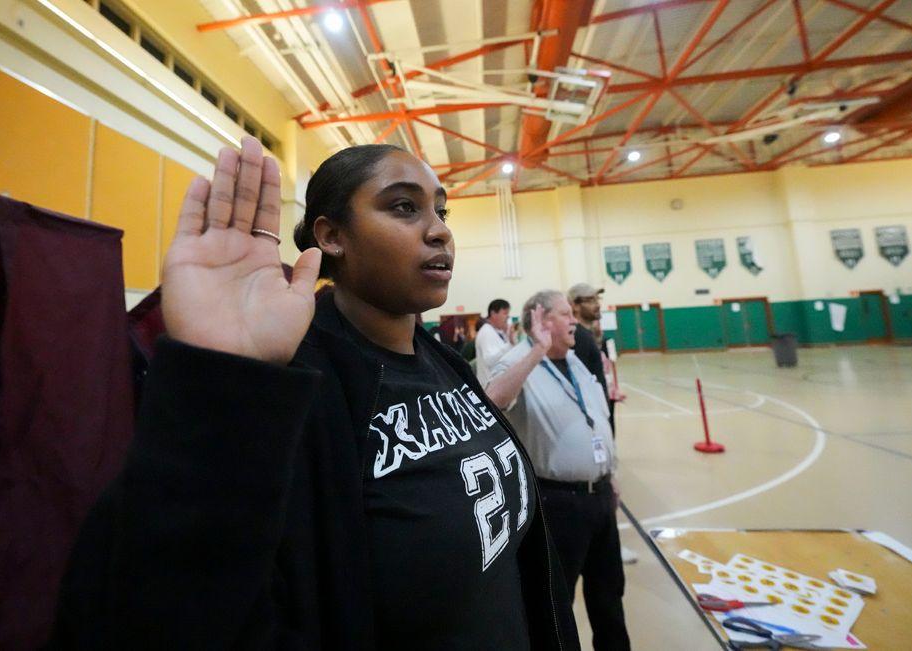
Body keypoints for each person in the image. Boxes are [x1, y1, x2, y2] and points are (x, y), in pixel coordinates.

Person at [48, 139, 578, 650]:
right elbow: (158, 611)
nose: (438, 231)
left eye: (441, 212)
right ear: (331, 236)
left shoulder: (440, 361)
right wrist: (219, 379)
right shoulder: (294, 383)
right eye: (403, 207)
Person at [485, 290, 630, 651]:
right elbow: (493, 400)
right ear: (542, 318)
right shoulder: (520, 360)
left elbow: (596, 419)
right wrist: (536, 348)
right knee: (554, 604)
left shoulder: (575, 359)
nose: (574, 321)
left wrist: (609, 476)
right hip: (558, 503)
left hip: (599, 498)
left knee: (609, 597)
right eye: (565, 314)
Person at [567, 283, 635, 564]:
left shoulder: (592, 336)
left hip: (604, 414)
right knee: (603, 484)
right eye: (590, 300)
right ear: (575, 305)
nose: (597, 304)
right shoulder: (580, 339)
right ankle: (608, 547)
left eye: (598, 299)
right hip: (593, 425)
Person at [475, 298, 513, 387]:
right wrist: (510, 344)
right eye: (505, 313)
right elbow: (489, 360)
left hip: (498, 385)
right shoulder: (486, 332)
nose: (507, 317)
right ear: (493, 314)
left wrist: (507, 337)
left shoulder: (497, 332)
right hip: (490, 388)